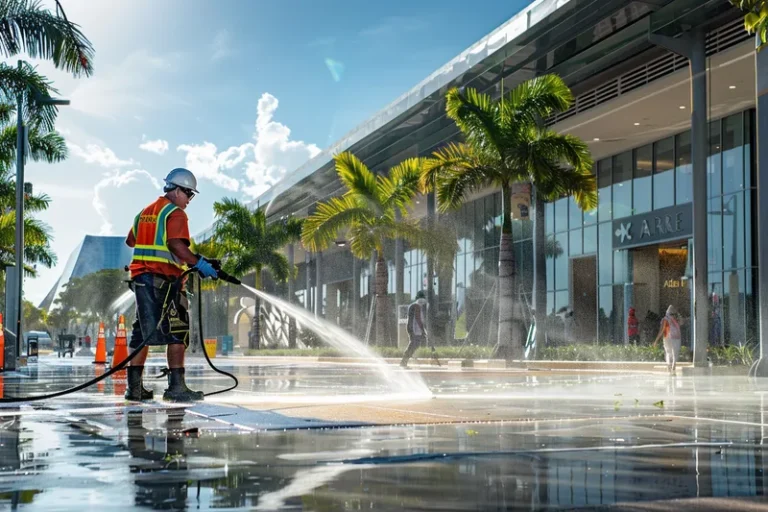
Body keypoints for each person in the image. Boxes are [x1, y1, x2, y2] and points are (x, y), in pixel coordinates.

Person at [124, 168, 219, 402]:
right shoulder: (175, 213)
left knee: (142, 333)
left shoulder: (145, 212)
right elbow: (176, 245)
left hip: (141, 280)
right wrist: (199, 263)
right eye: (188, 194)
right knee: (177, 330)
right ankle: (176, 388)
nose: (189, 200)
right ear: (176, 190)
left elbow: (131, 240)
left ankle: (134, 388)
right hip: (164, 281)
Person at [400, 291, 427, 368]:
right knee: (413, 345)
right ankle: (404, 362)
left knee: (414, 345)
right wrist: (423, 329)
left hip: (411, 328)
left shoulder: (412, 305)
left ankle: (405, 361)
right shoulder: (417, 306)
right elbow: (418, 319)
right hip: (414, 329)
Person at [653, 305, 681, 375]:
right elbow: (682, 322)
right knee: (675, 353)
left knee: (668, 352)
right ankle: (673, 366)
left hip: (667, 337)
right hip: (676, 338)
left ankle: (669, 365)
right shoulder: (676, 320)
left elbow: (662, 330)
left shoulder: (665, 319)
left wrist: (656, 340)